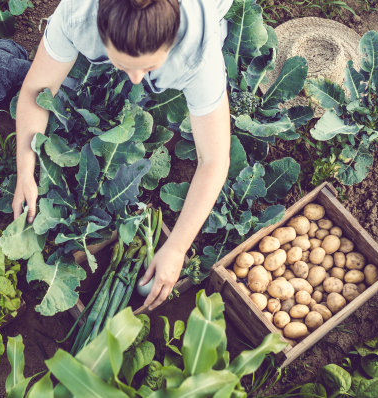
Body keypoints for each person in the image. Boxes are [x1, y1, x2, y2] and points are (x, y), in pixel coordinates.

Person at [13, 0, 233, 310]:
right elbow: (36, 92)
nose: (135, 80)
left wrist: (176, 247)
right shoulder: (77, 13)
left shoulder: (198, 51)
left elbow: (214, 159)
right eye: (121, 64)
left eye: (150, 67)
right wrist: (25, 168)